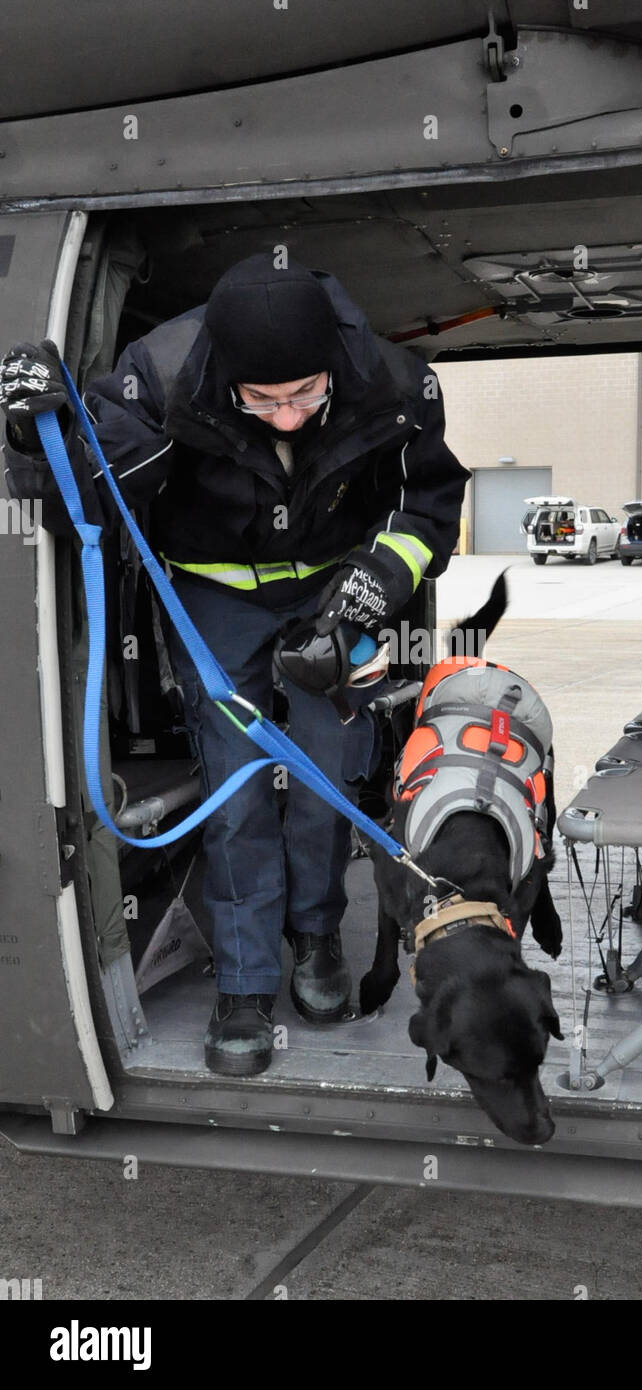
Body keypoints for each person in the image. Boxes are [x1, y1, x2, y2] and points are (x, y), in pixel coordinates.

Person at [0, 252, 469, 1077]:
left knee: (327, 777)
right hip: (215, 598)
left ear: (332, 365)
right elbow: (79, 487)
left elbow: (424, 503)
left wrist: (374, 586)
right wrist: (26, 423)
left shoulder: (394, 382)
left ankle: (317, 938)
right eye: (263, 401)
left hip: (337, 589)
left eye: (304, 396)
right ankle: (247, 981)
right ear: (227, 378)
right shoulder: (164, 372)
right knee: (238, 785)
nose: (287, 419)